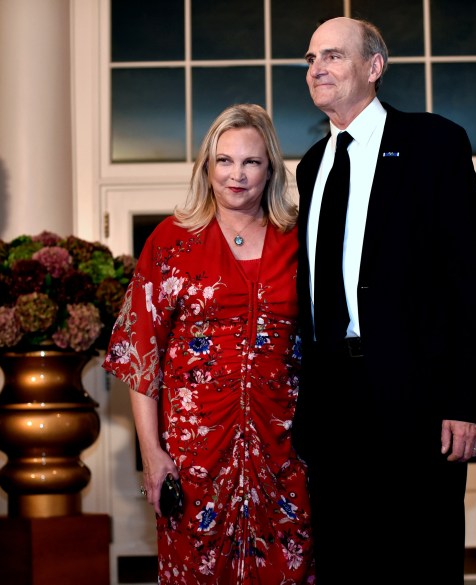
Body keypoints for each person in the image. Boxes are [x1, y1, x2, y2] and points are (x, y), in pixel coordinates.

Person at [292, 17, 476, 583]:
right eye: (311, 59)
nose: (317, 69)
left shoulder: (434, 143)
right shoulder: (311, 166)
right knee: (344, 562)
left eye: (333, 56)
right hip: (333, 406)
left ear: (375, 67)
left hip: (418, 403)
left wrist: (470, 401)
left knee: (421, 560)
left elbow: (474, 280)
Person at [103, 103, 314, 584]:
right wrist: (153, 455)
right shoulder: (171, 241)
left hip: (286, 452)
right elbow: (141, 357)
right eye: (224, 160)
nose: (236, 175)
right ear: (207, 167)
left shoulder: (299, 240)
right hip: (194, 456)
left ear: (271, 170)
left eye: (251, 162)